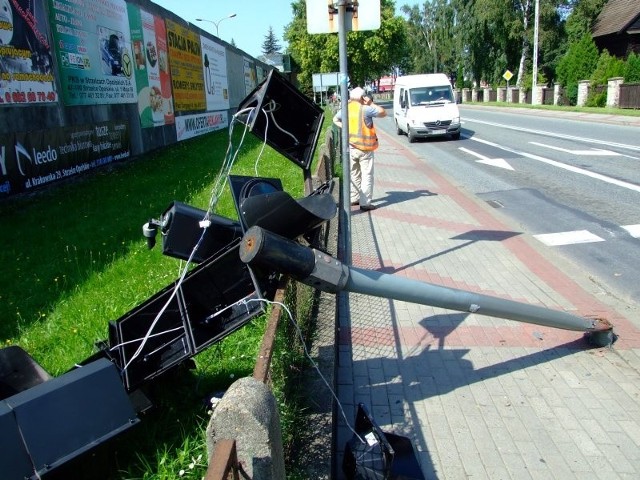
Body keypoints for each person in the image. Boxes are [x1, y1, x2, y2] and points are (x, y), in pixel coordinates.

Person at [333, 86, 386, 211]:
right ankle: (365, 203)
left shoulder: (346, 109)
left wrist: (345, 129)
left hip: (351, 147)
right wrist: (371, 102)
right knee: (367, 175)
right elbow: (383, 113)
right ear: (363, 97)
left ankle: (353, 199)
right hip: (365, 149)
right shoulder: (366, 109)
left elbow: (335, 119)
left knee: (354, 173)